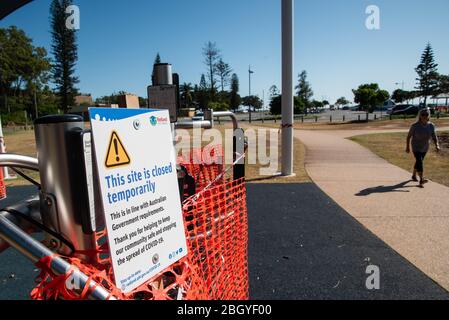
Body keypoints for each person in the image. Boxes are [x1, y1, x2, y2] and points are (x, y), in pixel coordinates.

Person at [406, 108, 441, 188]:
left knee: (419, 161)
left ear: (429, 116)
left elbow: (434, 136)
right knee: (420, 161)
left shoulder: (431, 125)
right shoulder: (414, 126)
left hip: (425, 146)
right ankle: (421, 180)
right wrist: (407, 147)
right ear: (420, 116)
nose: (424, 116)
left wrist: (437, 145)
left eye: (426, 114)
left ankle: (414, 175)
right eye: (423, 114)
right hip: (415, 146)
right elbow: (408, 137)